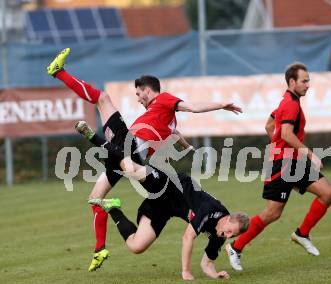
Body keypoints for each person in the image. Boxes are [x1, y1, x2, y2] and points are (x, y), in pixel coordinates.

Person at [46, 48, 242, 271]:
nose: (138, 99)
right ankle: (99, 249)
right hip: (127, 153)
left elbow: (193, 107)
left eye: (139, 94)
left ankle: (58, 73)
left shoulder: (164, 100)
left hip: (130, 147)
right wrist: (188, 147)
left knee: (102, 98)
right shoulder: (167, 121)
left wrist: (221, 105)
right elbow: (174, 134)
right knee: (95, 198)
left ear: (148, 91)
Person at [76, 124, 249, 280]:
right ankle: (93, 136)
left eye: (232, 236)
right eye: (229, 232)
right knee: (131, 169)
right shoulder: (209, 210)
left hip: (166, 207)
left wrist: (215, 275)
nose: (228, 237)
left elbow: (207, 264)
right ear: (227, 219)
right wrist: (186, 271)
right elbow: (188, 236)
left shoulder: (220, 236)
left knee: (136, 246)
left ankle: (112, 207)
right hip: (169, 185)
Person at [225, 62, 331, 271]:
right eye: (304, 81)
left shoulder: (288, 101)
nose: (308, 85)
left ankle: (302, 234)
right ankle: (235, 246)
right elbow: (285, 134)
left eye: (308, 80)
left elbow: (269, 125)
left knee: (328, 193)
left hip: (292, 160)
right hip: (283, 164)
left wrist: (279, 145)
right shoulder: (291, 104)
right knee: (272, 213)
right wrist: (309, 154)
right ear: (292, 82)